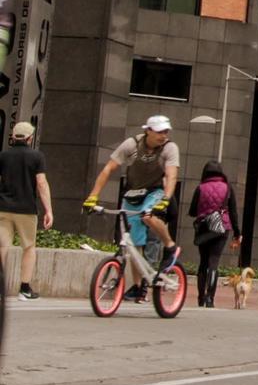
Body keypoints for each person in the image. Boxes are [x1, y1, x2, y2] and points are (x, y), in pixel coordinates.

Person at [83, 114, 182, 292]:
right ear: (148, 131)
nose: (163, 135)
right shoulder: (132, 144)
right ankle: (137, 286)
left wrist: (165, 200)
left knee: (148, 215)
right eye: (159, 132)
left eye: (166, 131)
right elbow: (108, 169)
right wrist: (93, 197)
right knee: (134, 243)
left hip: (156, 191)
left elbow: (171, 175)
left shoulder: (169, 148)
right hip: (133, 194)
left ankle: (170, 246)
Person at [0, 122, 52, 300]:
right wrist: (49, 211)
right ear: (30, 138)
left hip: (3, 208)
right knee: (29, 248)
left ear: (13, 137)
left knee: (2, 247)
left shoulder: (3, 156)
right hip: (26, 209)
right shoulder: (37, 157)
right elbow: (42, 184)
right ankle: (24, 289)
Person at [188, 161, 240, 309]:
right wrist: (237, 232)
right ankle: (210, 298)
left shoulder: (200, 188)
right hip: (221, 228)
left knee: (203, 262)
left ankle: (200, 298)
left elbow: (192, 211)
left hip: (203, 229)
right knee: (213, 262)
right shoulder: (228, 188)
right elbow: (233, 212)